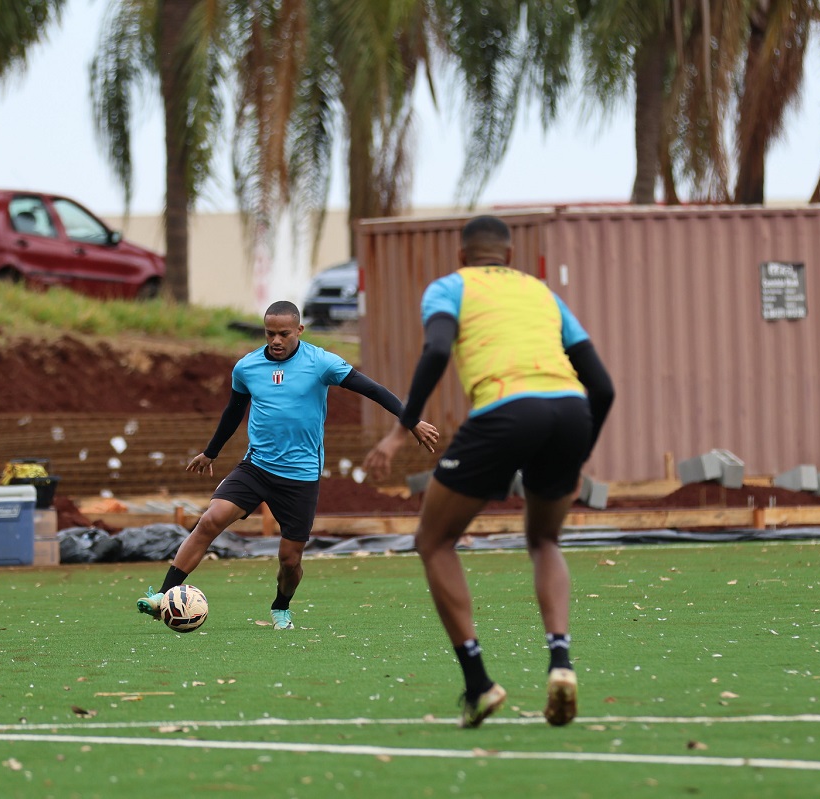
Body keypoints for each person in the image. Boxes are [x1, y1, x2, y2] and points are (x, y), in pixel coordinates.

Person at [362, 215, 615, 729]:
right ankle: (561, 663)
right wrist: (576, 456)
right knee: (545, 540)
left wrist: (398, 431)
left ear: (462, 256)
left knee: (433, 541)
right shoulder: (543, 294)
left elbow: (435, 349)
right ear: (510, 257)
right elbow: (603, 387)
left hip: (505, 411)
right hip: (571, 410)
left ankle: (478, 684)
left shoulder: (449, 288)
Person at [136, 300, 438, 630]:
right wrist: (211, 452)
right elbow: (233, 412)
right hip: (256, 467)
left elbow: (373, 389)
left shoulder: (321, 362)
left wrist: (412, 422)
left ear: (299, 330)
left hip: (300, 476)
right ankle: (162, 596)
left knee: (289, 560)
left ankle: (281, 605)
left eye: (283, 334)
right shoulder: (247, 367)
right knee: (209, 521)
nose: (276, 341)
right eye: (269, 334)